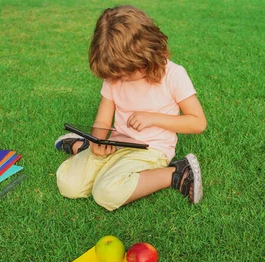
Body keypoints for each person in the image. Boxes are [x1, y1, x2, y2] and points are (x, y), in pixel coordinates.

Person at [55, 5, 207, 211]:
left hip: (151, 150)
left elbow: (198, 122)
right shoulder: (115, 76)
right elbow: (102, 121)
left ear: (144, 55)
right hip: (117, 143)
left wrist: (153, 118)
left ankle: (178, 173)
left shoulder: (173, 75)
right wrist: (98, 141)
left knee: (105, 193)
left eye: (124, 73)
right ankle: (84, 145)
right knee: (68, 184)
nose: (118, 79)